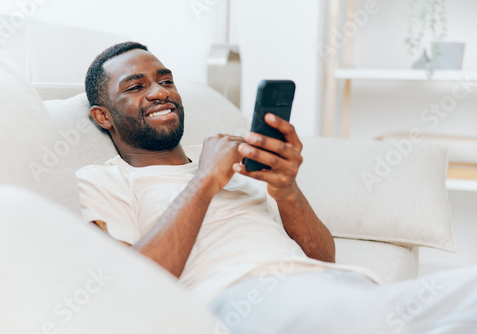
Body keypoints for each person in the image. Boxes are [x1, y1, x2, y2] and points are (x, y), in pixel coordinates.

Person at [77, 41, 477, 334]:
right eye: (135, 86)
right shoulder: (105, 179)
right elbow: (135, 284)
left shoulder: (233, 153)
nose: (160, 91)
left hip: (343, 287)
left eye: (166, 80)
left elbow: (323, 256)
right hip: (247, 302)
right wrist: (205, 179)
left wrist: (287, 190)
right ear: (102, 115)